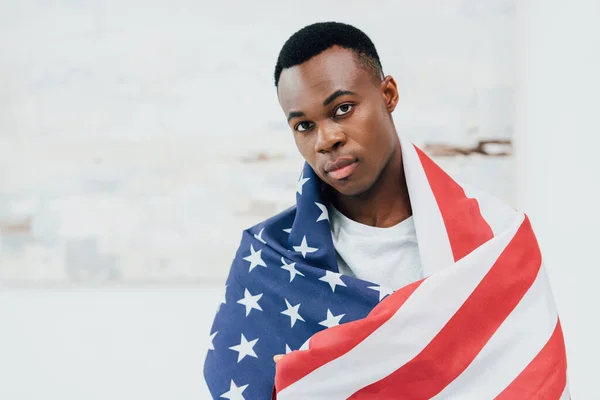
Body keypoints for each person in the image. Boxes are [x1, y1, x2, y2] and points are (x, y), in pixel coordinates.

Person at [204, 22, 568, 400]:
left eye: (343, 109)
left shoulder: (496, 241)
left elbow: (535, 383)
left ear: (388, 94)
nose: (326, 139)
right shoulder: (269, 261)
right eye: (304, 126)